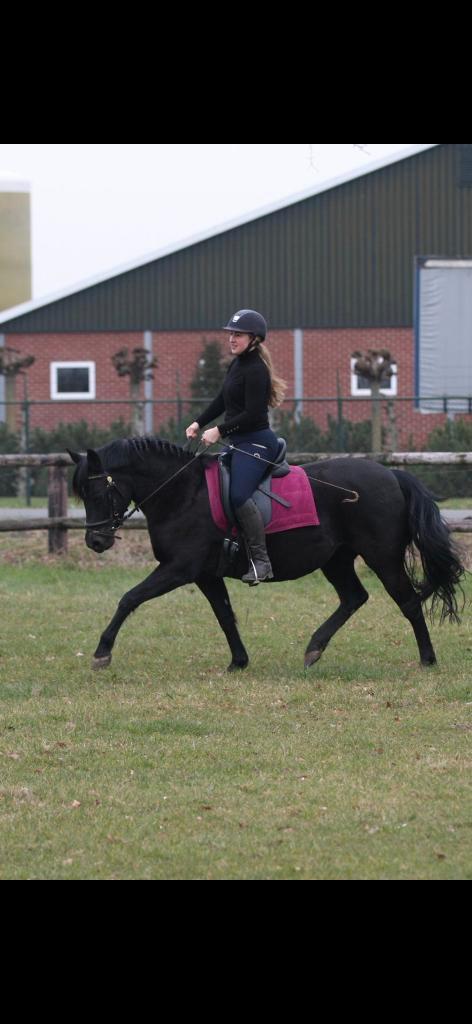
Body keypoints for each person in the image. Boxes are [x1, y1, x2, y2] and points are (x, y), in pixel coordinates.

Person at [186, 309, 287, 585]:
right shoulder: (238, 364)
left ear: (254, 339)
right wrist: (199, 422)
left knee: (239, 495)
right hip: (239, 441)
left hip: (257, 443)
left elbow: (253, 414)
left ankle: (261, 562)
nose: (231, 338)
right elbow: (222, 401)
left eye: (238, 334)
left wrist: (219, 430)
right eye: (230, 333)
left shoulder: (256, 369)